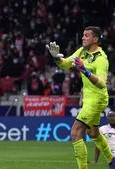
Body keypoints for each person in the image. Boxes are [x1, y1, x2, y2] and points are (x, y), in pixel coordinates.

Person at [46, 26, 115, 169]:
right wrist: (56, 58)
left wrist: (85, 70)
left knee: (76, 132)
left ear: (95, 39)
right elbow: (65, 64)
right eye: (83, 35)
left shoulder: (101, 58)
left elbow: (102, 84)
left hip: (97, 99)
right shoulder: (82, 52)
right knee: (93, 132)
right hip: (88, 99)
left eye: (86, 35)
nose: (83, 37)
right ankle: (112, 160)